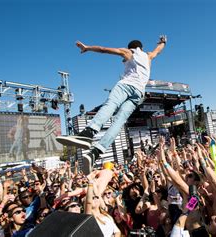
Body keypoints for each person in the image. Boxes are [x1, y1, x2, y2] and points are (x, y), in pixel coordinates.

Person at [56, 35, 167, 171]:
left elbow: (104, 49)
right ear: (141, 48)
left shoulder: (129, 52)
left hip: (126, 85)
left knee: (111, 105)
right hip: (139, 93)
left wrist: (87, 48)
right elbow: (158, 50)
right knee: (119, 121)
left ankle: (88, 134)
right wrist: (163, 42)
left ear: (131, 47)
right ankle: (95, 153)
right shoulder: (148, 56)